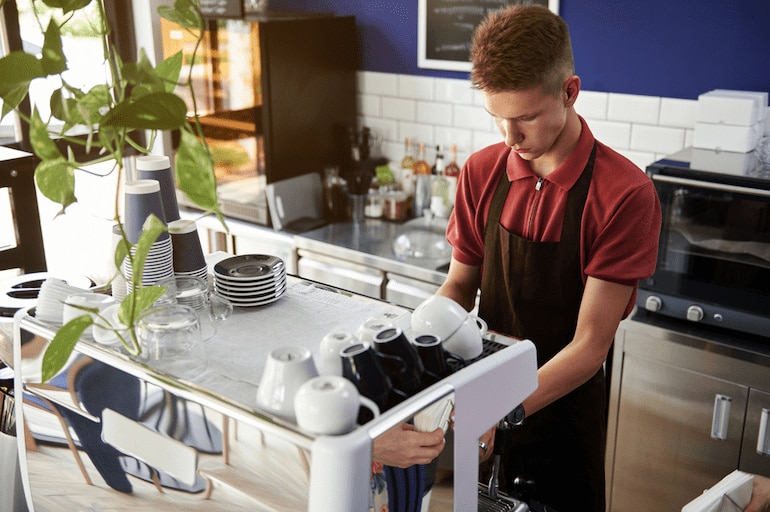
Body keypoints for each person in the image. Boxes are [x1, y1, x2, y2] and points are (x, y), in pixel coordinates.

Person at [435, 5, 662, 511]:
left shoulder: (625, 195)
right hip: (484, 404)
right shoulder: (481, 172)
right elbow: (458, 287)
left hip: (563, 421)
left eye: (526, 119)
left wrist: (503, 408)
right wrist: (424, 346)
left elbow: (589, 346)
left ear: (570, 91)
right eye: (497, 118)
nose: (510, 139)